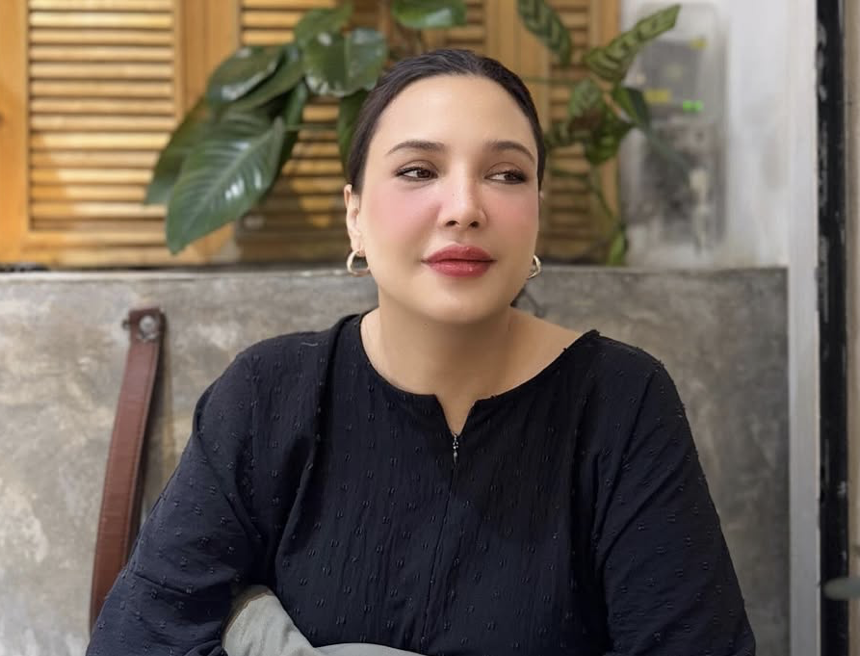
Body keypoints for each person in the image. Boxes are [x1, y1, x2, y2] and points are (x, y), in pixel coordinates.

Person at [87, 49, 755, 656]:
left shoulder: (621, 400)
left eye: (506, 174)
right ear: (355, 214)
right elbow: (136, 640)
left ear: (537, 210)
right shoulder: (269, 394)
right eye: (417, 170)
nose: (464, 208)